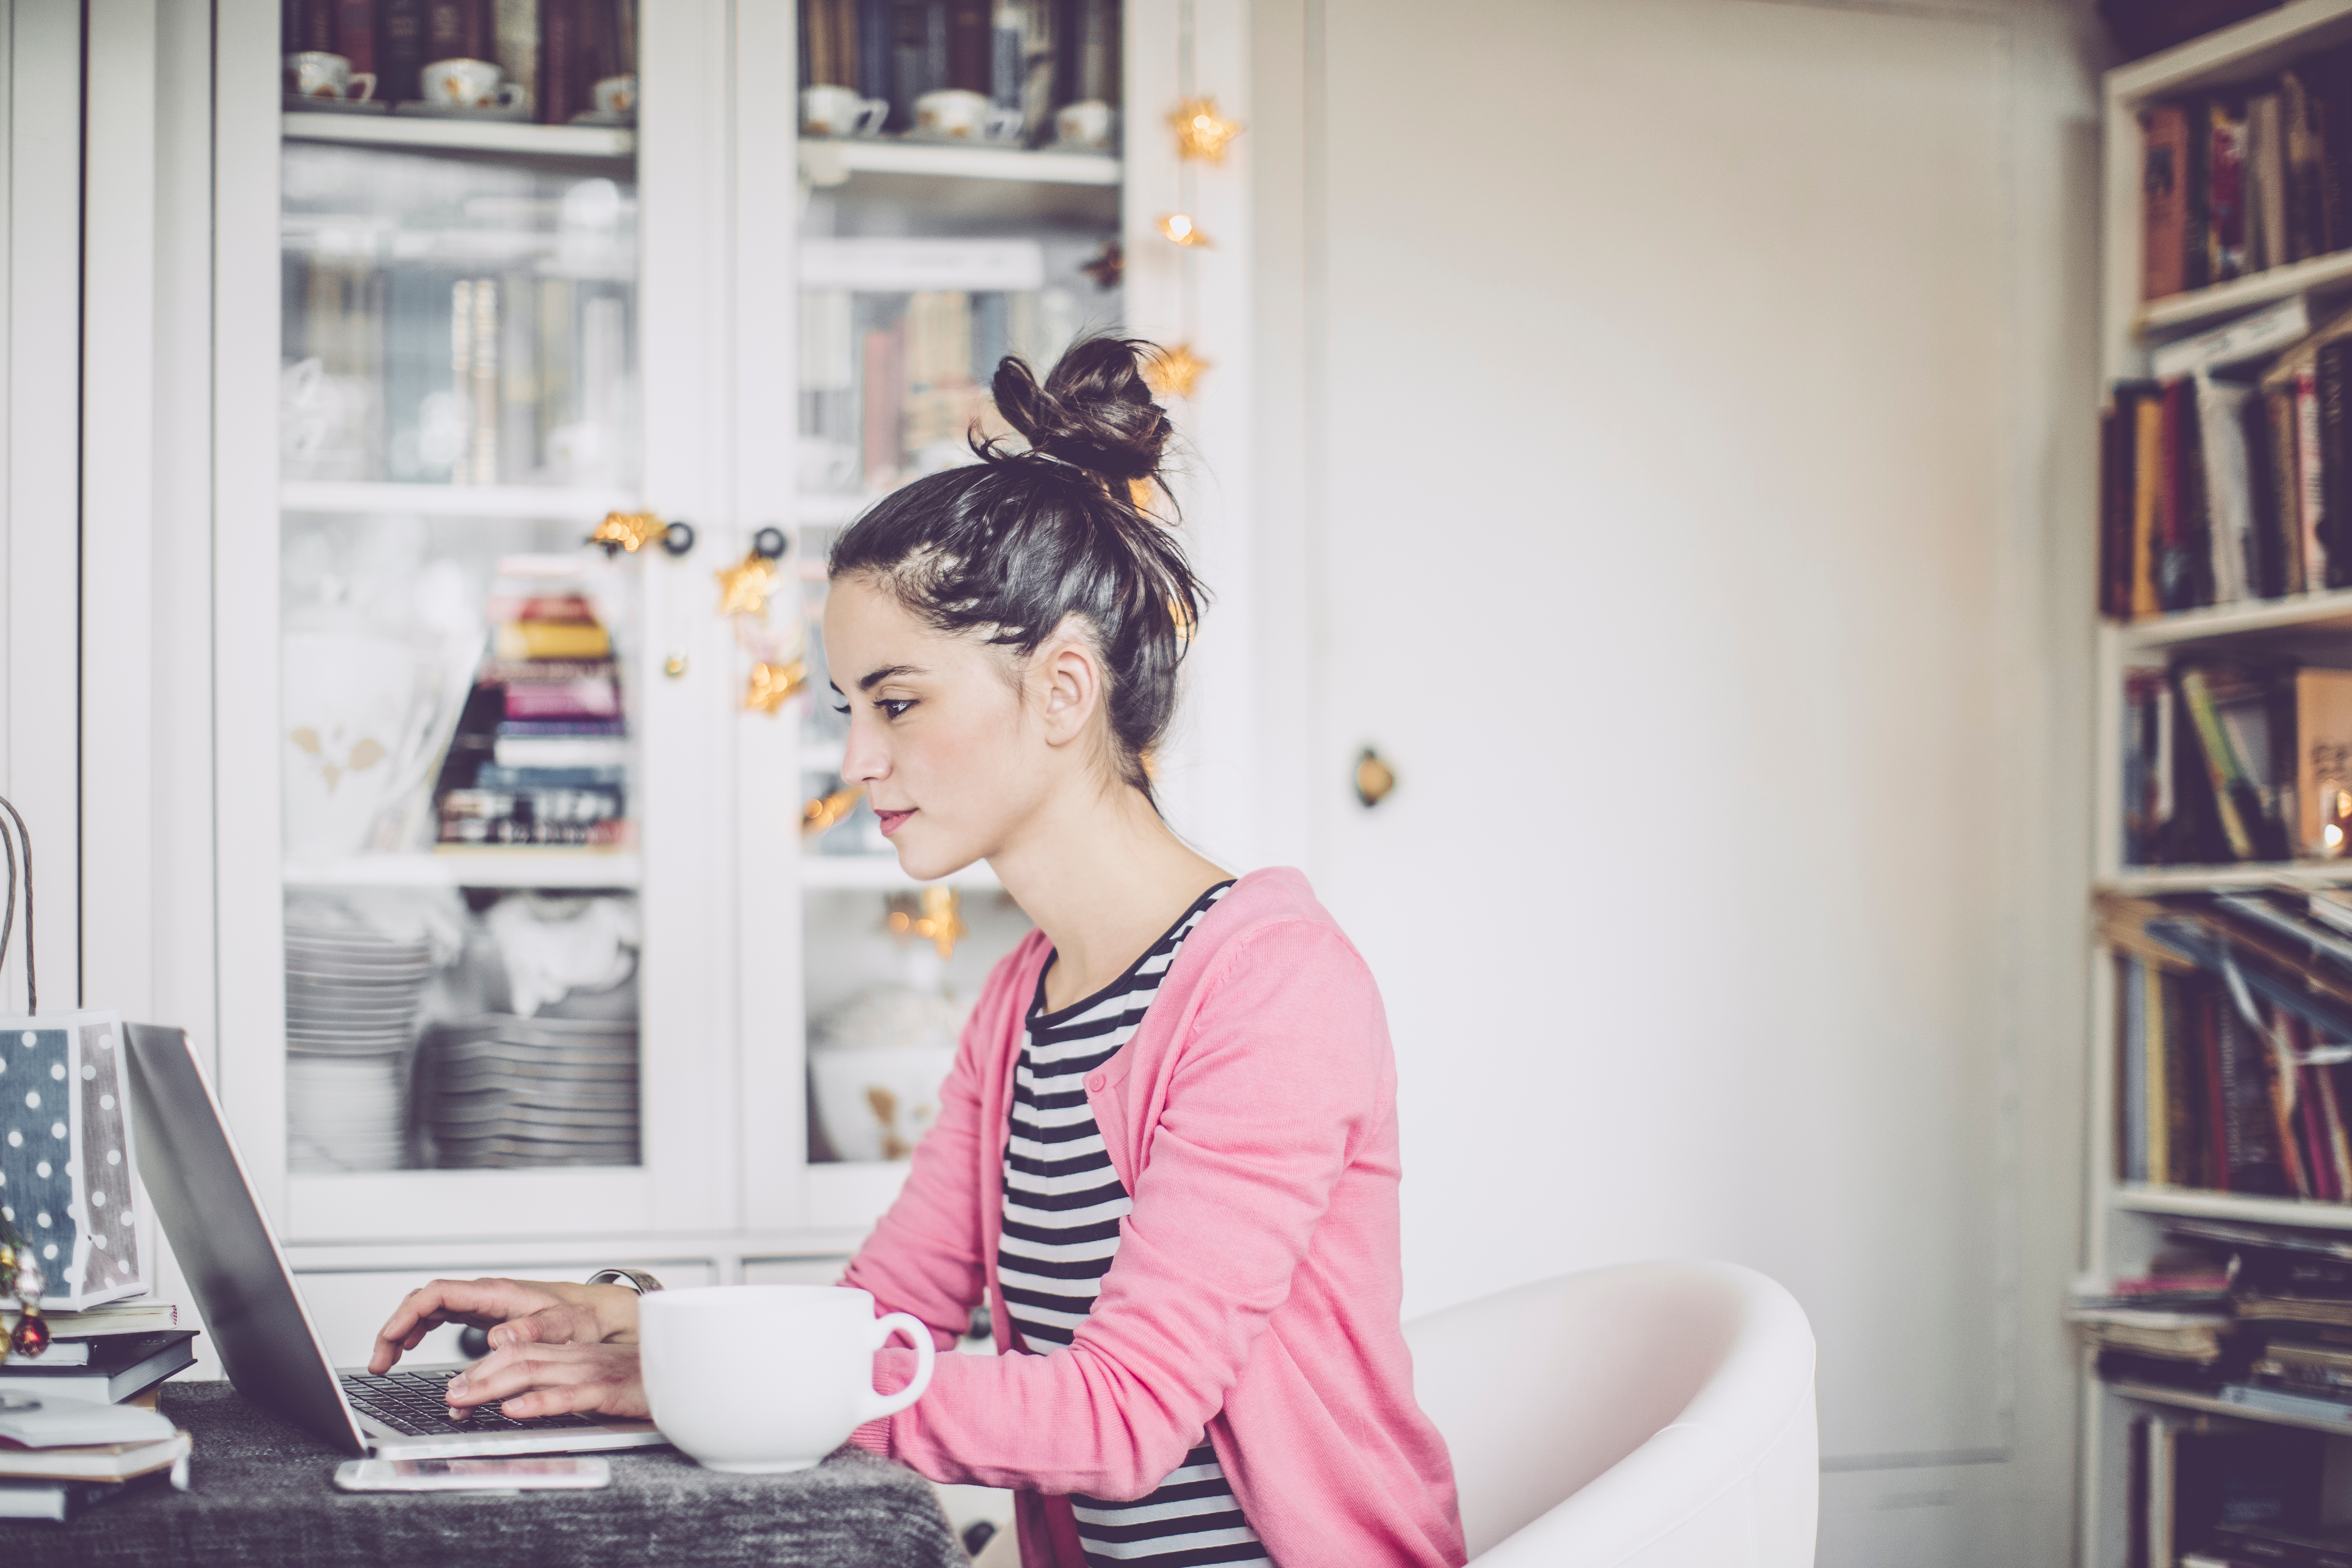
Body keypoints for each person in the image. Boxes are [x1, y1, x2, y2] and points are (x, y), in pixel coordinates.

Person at [368, 338, 1465, 1568]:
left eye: (896, 702)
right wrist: (644, 1331)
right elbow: (883, 1321)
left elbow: (1121, 1419)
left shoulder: (1272, 986)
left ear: (1063, 691)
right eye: (852, 711)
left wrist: (704, 1390)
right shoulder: (1022, 1000)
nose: (857, 761)